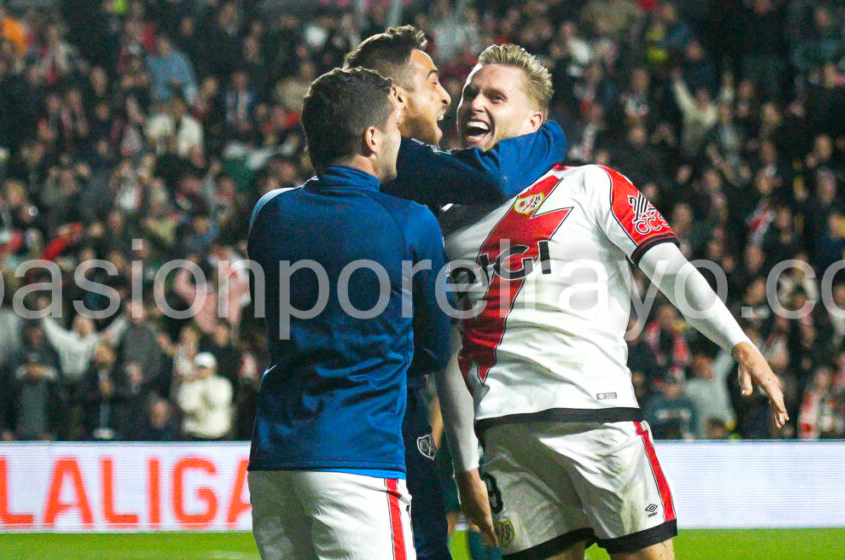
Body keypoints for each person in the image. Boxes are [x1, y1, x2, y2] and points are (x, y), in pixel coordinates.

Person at [433, 44, 789, 560]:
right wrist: (465, 464)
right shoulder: (447, 223)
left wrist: (740, 345)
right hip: (508, 438)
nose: (473, 104)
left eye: (494, 95)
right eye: (469, 93)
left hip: (597, 418)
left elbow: (674, 272)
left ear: (535, 120)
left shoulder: (591, 184)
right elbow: (453, 350)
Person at [344, 25, 568, 560]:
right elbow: (493, 178)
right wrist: (552, 135)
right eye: (435, 82)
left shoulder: (345, 169)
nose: (448, 97)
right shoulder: (397, 162)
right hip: (381, 411)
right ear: (395, 97)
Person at [246, 67, 449, 560]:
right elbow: (436, 346)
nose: (402, 142)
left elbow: (266, 314)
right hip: (359, 456)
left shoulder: (270, 212)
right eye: (397, 130)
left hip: (275, 460)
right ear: (372, 137)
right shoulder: (410, 223)